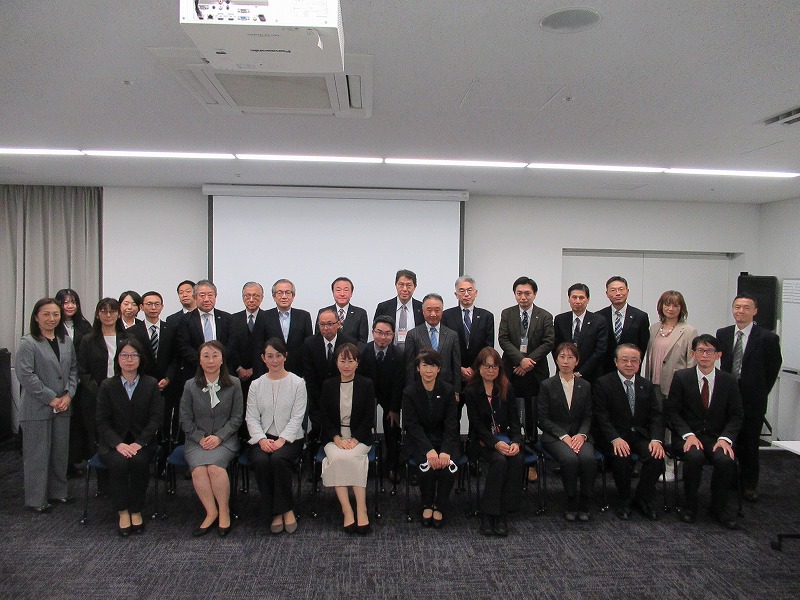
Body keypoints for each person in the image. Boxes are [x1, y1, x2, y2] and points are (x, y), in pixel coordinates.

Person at [666, 334, 743, 529]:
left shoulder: (729, 380)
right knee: (694, 457)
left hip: (717, 437)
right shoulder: (682, 377)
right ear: (693, 354)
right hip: (688, 435)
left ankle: (719, 507)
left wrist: (726, 438)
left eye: (710, 351)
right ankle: (689, 506)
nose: (705, 355)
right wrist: (688, 435)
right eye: (700, 350)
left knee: (725, 460)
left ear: (718, 355)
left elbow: (736, 415)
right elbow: (672, 411)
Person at [15, 298, 78, 512]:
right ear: (36, 317)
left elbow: (73, 370)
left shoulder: (65, 340)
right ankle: (36, 500)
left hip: (63, 406)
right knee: (37, 455)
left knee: (60, 453)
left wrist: (68, 395)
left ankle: (58, 492)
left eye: (56, 314)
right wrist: (51, 398)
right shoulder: (28, 342)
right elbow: (26, 375)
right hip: (37, 407)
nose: (52, 318)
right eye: (46, 314)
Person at [716, 295, 781, 502]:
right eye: (737, 307)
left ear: (755, 311)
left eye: (746, 308)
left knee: (750, 443)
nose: (741, 311)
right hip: (727, 396)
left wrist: (760, 390)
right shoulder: (723, 334)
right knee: (729, 439)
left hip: (753, 399)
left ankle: (749, 485)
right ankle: (730, 480)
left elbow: (773, 368)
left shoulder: (767, 338)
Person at [96, 338, 163, 536]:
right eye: (124, 355)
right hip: (113, 444)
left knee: (138, 462)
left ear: (141, 359)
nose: (129, 359)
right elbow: (101, 421)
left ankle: (136, 510)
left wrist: (139, 443)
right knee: (118, 464)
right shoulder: (108, 385)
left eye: (134, 355)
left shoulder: (150, 384)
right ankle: (123, 511)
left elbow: (156, 418)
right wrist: (118, 444)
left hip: (143, 443)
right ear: (117, 359)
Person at [593, 344, 664, 520]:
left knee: (656, 456)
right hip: (614, 436)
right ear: (616, 361)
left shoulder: (646, 385)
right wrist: (615, 438)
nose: (629, 364)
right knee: (622, 457)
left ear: (639, 363)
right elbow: (601, 416)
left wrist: (656, 439)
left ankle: (643, 498)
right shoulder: (603, 383)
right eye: (624, 360)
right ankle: (624, 499)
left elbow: (656, 416)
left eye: (634, 360)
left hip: (639, 435)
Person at [180, 340, 243, 537]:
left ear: (222, 359)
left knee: (215, 468)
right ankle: (211, 512)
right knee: (199, 470)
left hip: (226, 440)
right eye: (206, 356)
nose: (210, 360)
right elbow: (185, 419)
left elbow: (237, 417)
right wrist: (200, 438)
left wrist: (219, 437)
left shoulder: (234, 384)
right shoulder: (190, 385)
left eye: (215, 356)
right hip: (196, 441)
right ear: (199, 360)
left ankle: (224, 511)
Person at [246, 338, 307, 534]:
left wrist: (282, 440)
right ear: (263, 358)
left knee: (279, 460)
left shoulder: (298, 383)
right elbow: (251, 417)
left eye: (278, 356)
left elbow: (298, 417)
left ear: (285, 356)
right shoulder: (256, 384)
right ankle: (279, 511)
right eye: (270, 356)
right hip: (262, 437)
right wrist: (262, 439)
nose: (274, 360)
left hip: (290, 438)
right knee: (261, 461)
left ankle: (283, 510)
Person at [498, 276, 554, 482]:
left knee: (531, 419)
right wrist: (520, 360)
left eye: (527, 293)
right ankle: (511, 458)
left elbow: (548, 342)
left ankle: (531, 464)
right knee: (511, 415)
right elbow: (503, 339)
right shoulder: (507, 313)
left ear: (534, 294)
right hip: (511, 371)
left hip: (535, 373)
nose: (523, 297)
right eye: (519, 293)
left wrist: (529, 361)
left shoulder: (545, 316)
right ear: (515, 294)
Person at [464, 347, 524, 537]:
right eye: (487, 366)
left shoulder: (506, 387)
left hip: (506, 438)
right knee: (499, 460)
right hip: (482, 441)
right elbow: (476, 425)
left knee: (517, 459)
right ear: (479, 367)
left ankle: (502, 513)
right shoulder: (471, 391)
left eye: (495, 366)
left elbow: (515, 419)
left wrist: (516, 441)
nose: (491, 370)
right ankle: (488, 514)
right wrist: (495, 443)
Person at [319, 343, 376, 534]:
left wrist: (355, 439)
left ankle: (361, 508)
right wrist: (337, 439)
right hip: (334, 438)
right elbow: (325, 417)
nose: (346, 365)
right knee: (338, 457)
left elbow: (369, 417)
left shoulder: (366, 384)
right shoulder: (328, 385)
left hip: (360, 437)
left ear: (357, 363)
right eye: (342, 361)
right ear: (336, 362)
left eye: (351, 361)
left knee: (352, 457)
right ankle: (347, 509)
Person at [538, 342, 596, 522]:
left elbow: (588, 416)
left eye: (570, 357)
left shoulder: (585, 385)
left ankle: (585, 502)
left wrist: (582, 435)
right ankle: (571, 501)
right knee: (569, 459)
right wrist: (564, 436)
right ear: (556, 360)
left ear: (577, 361)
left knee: (588, 459)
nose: (565, 361)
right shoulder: (547, 385)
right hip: (555, 437)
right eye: (562, 357)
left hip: (580, 435)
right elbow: (543, 419)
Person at [402, 349, 460, 528]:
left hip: (445, 440)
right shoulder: (409, 392)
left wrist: (445, 451)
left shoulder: (448, 390)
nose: (428, 370)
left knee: (447, 468)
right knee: (427, 467)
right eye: (424, 365)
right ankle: (427, 504)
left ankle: (440, 506)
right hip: (419, 441)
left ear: (439, 369)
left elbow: (452, 424)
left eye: (433, 366)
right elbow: (412, 425)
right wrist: (429, 450)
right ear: (418, 368)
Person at [78, 297, 128, 495]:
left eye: (112, 311)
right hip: (95, 397)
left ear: (118, 314)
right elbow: (83, 372)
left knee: (121, 438)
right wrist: (101, 393)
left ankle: (121, 482)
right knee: (99, 439)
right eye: (104, 311)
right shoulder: (88, 340)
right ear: (98, 314)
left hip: (123, 396)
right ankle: (103, 486)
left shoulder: (127, 338)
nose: (108, 315)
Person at [358, 316, 405, 485]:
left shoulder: (399, 354)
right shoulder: (362, 352)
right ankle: (362, 466)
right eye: (379, 332)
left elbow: (399, 384)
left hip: (389, 395)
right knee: (362, 426)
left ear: (393, 335)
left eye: (387, 333)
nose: (383, 337)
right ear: (373, 332)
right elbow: (359, 382)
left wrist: (394, 409)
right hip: (366, 395)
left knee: (392, 428)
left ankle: (392, 467)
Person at [55, 288, 93, 477]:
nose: (70, 306)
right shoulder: (53, 325)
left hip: (80, 382)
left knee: (78, 424)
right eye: (65, 302)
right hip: (58, 382)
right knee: (61, 426)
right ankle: (60, 465)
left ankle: (73, 461)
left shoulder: (84, 325)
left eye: (73, 302)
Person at [644, 290, 698, 406]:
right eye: (667, 304)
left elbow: (692, 361)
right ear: (661, 306)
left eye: (675, 306)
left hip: (675, 383)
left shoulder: (689, 331)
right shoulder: (654, 328)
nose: (671, 309)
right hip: (654, 382)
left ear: (681, 308)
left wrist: (688, 384)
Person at [441, 276, 495, 388]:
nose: (466, 294)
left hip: (478, 373)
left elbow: (488, 346)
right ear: (456, 294)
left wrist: (474, 368)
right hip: (454, 374)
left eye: (470, 290)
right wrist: (459, 368)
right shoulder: (446, 316)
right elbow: (445, 347)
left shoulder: (486, 316)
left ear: (476, 293)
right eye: (462, 291)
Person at [404, 293, 461, 394]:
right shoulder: (413, 334)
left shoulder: (452, 335)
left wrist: (456, 391)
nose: (433, 314)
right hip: (420, 388)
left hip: (446, 389)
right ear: (423, 311)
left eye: (437, 310)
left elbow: (456, 366)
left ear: (442, 311)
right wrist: (410, 391)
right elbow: (409, 367)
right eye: (429, 310)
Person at [177, 280, 234, 374]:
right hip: (195, 370)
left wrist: (218, 361)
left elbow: (231, 344)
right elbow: (184, 346)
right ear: (195, 297)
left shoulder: (227, 318)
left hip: (223, 370)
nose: (206, 299)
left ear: (215, 296)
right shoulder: (185, 320)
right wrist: (202, 362)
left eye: (210, 295)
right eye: (202, 295)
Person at [553, 283, 607, 383]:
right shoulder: (560, 319)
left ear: (588, 299)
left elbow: (600, 351)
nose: (577, 301)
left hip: (590, 375)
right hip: (564, 374)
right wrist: (565, 367)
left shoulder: (599, 321)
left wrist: (581, 372)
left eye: (581, 298)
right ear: (569, 299)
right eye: (574, 297)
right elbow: (555, 347)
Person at [598, 276, 650, 375]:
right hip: (605, 371)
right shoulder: (599, 317)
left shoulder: (640, 317)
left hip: (630, 369)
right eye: (613, 290)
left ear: (627, 291)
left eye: (621, 289)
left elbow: (642, 346)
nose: (618, 293)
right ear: (607, 294)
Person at [263, 279, 313, 377]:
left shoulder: (304, 316)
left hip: (298, 371)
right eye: (280, 293)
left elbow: (309, 347)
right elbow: (259, 346)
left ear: (293, 296)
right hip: (271, 370)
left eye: (288, 293)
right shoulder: (264, 316)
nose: (284, 296)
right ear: (274, 296)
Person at [230, 281, 268, 400]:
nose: (251, 299)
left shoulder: (269, 318)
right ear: (243, 297)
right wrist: (239, 368)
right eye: (247, 296)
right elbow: (231, 347)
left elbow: (269, 347)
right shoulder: (233, 319)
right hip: (237, 375)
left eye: (255, 296)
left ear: (262, 298)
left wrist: (254, 369)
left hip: (262, 374)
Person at [374, 269, 424, 352]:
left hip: (415, 354)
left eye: (409, 285)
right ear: (396, 285)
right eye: (401, 285)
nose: (404, 289)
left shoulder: (421, 308)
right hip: (389, 354)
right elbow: (377, 332)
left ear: (414, 287)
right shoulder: (383, 307)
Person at [316, 277, 369, 348]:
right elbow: (317, 338)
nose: (342, 294)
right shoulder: (323, 312)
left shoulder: (360, 313)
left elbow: (362, 341)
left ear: (351, 293)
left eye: (346, 290)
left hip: (351, 353)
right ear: (333, 292)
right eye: (338, 290)